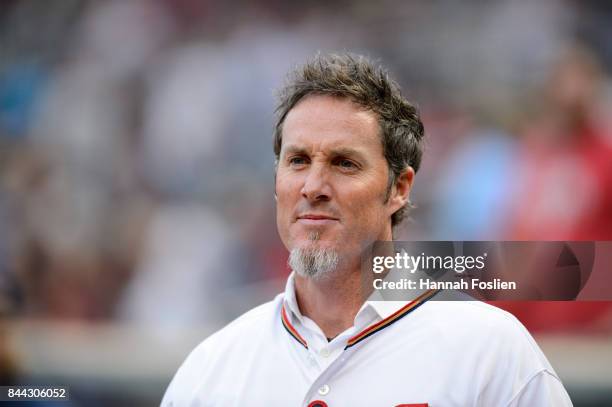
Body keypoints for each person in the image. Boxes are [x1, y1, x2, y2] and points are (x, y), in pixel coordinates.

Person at [161, 53, 572, 406]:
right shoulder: (211, 370)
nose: (313, 187)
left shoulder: (491, 351)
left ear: (399, 188)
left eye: (344, 163)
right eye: (298, 161)